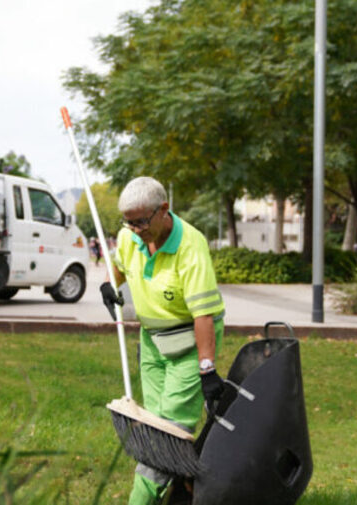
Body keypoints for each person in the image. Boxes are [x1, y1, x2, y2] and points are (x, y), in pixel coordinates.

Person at [100, 177, 226, 505]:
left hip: (191, 341)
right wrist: (109, 284)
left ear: (164, 210)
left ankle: (139, 501)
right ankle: (182, 491)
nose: (133, 229)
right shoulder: (130, 237)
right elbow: (120, 266)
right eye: (127, 221)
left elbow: (203, 316)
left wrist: (207, 369)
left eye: (141, 221)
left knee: (165, 432)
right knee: (153, 421)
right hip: (153, 340)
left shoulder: (190, 247)